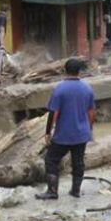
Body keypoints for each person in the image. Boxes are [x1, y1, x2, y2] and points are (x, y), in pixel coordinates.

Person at [36, 58, 95, 200]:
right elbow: (91, 113)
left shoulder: (60, 89)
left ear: (64, 71)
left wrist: (48, 133)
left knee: (51, 160)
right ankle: (75, 191)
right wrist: (89, 129)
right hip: (81, 134)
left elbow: (54, 113)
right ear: (79, 71)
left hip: (63, 134)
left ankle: (52, 191)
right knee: (78, 162)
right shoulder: (88, 88)